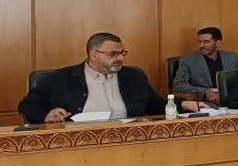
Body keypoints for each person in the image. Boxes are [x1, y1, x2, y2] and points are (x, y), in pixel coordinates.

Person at [18, 32, 197, 123]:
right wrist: (46, 115)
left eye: (122, 53)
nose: (120, 59)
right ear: (93, 55)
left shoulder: (134, 76)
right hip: (77, 141)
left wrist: (183, 104)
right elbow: (27, 106)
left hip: (128, 139)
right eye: (113, 54)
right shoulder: (59, 79)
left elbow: (154, 103)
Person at [172, 26, 238, 105]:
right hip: (204, 103)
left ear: (217, 43)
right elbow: (178, 85)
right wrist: (204, 92)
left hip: (231, 100)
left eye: (206, 42)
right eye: (200, 42)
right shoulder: (188, 60)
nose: (201, 45)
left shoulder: (232, 57)